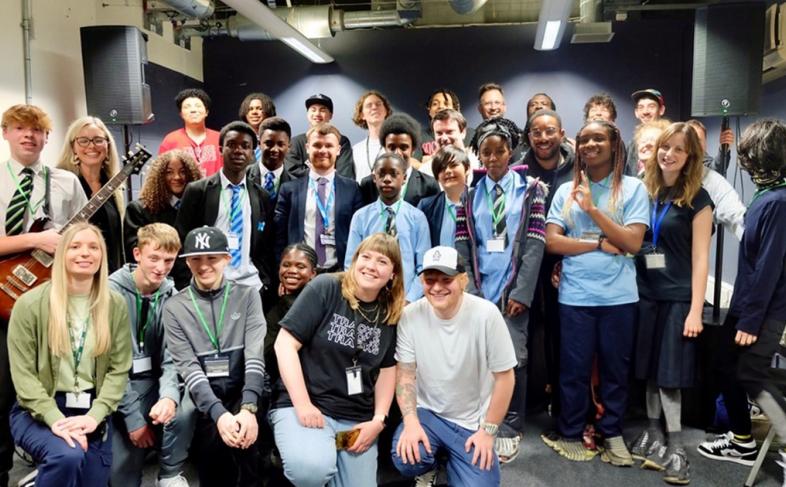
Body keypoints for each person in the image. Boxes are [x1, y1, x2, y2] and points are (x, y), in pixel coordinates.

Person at [542, 120, 649, 466]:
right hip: (576, 296)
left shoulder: (633, 189)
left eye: (598, 138)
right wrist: (601, 243)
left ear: (615, 145)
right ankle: (572, 432)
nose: (589, 144)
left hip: (619, 297)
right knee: (573, 369)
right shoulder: (565, 190)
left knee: (616, 370)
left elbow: (632, 242)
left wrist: (590, 210)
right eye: (584, 139)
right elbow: (553, 242)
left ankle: (612, 432)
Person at [270, 233, 403, 487]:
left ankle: (324, 448)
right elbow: (284, 344)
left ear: (393, 274)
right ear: (354, 261)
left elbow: (387, 370)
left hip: (354, 417)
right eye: (366, 257)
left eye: (382, 262)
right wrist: (303, 404)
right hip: (308, 407)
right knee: (312, 470)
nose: (371, 266)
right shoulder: (326, 287)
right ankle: (307, 450)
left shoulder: (391, 311)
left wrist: (378, 421)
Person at [0, 104, 88, 487]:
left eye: (37, 130)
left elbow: (81, 241)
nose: (29, 136)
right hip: (2, 296)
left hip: (46, 300)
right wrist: (37, 239)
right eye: (20, 128)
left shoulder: (65, 182)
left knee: (46, 383)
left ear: (47, 137)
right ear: (6, 133)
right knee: (2, 385)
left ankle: (48, 456)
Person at [7, 222, 132, 487]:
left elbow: (118, 370)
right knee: (68, 455)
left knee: (90, 478)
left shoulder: (114, 304)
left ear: (102, 256)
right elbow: (24, 378)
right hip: (38, 410)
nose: (85, 253)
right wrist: (56, 421)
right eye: (75, 246)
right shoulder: (29, 305)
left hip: (91, 410)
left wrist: (95, 416)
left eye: (93, 247)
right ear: (60, 253)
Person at [457, 117, 547, 463]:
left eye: (500, 151)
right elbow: (463, 245)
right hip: (481, 290)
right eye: (486, 152)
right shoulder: (469, 194)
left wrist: (521, 293)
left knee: (513, 358)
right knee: (481, 357)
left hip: (512, 292)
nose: (493, 158)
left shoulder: (531, 191)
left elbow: (536, 245)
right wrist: (472, 292)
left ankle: (510, 426)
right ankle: (485, 420)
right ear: (478, 155)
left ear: (511, 151)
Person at [630, 123, 713, 485]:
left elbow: (700, 260)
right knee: (649, 371)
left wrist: (696, 310)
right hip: (644, 294)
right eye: (665, 147)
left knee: (670, 378)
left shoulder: (699, 198)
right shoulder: (643, 191)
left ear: (689, 157)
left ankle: (677, 447)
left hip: (678, 298)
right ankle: (652, 433)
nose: (669, 154)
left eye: (679, 150)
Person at [391, 246, 516, 486]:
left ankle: (452, 459)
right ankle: (430, 463)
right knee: (405, 458)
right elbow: (405, 374)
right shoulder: (410, 316)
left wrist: (488, 431)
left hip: (471, 422)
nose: (437, 287)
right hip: (428, 414)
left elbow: (505, 377)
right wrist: (410, 421)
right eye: (430, 280)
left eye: (446, 280)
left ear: (463, 280)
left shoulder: (486, 314)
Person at [163, 226, 266, 486]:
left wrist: (248, 408)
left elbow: (255, 356)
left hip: (244, 391)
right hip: (205, 396)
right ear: (187, 261)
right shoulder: (175, 307)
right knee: (214, 454)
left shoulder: (248, 296)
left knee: (247, 451)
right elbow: (188, 367)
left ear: (227, 258)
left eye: (212, 258)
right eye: (196, 259)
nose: (204, 265)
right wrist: (219, 414)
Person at [725, 119, 786, 485]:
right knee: (730, 368)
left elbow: (768, 268)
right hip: (752, 306)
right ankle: (740, 439)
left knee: (750, 374)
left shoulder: (778, 201)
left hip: (764, 312)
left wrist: (751, 321)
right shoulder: (769, 196)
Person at [109, 223, 193, 487]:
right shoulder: (110, 294)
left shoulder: (173, 296)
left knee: (183, 406)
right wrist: (134, 421)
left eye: (168, 260)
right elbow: (112, 367)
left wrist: (168, 396)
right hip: (117, 387)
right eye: (153, 258)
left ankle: (169, 473)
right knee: (118, 475)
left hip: (154, 383)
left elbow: (173, 358)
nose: (161, 267)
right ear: (137, 255)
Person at [520, 109, 576, 424]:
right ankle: (525, 401)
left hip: (563, 261)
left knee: (561, 333)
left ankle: (560, 402)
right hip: (527, 261)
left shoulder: (577, 168)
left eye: (550, 131)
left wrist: (567, 258)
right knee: (524, 331)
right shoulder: (519, 169)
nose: (543, 138)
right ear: (529, 136)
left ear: (561, 132)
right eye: (537, 132)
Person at [175, 121, 275, 295]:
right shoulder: (198, 190)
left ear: (253, 153)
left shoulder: (262, 196)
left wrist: (266, 280)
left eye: (245, 146)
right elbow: (182, 240)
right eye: (231, 145)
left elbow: (266, 245)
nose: (238, 151)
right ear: (221, 149)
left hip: (251, 284)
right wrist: (187, 282)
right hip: (209, 283)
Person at [274, 123, 363, 271]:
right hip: (299, 274)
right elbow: (278, 238)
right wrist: (282, 273)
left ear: (338, 150)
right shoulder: (289, 189)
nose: (323, 150)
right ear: (307, 148)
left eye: (329, 145)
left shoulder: (352, 189)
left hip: (340, 273)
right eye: (317, 145)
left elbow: (359, 235)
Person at [347, 152, 431, 303]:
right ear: (374, 178)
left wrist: (409, 300)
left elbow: (423, 267)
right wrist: (360, 294)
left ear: (404, 178)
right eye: (381, 174)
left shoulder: (417, 218)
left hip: (405, 298)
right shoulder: (361, 217)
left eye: (394, 174)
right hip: (367, 297)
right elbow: (351, 263)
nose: (387, 179)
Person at [56, 116, 125, 272]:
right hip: (71, 272)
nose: (92, 146)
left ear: (108, 146)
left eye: (98, 140)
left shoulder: (113, 186)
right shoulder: (60, 182)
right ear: (73, 147)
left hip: (108, 273)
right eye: (83, 140)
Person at [123, 149, 202, 262]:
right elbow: (135, 255)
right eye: (169, 172)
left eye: (183, 172)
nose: (177, 177)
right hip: (158, 275)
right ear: (159, 177)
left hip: (193, 275)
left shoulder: (201, 207)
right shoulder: (139, 210)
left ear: (191, 175)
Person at [264, 243, 318, 387]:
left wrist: (289, 302)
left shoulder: (320, 303)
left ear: (313, 273)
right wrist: (286, 301)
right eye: (286, 265)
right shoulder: (273, 307)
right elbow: (268, 354)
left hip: (316, 384)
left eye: (300, 267)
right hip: (280, 383)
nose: (292, 271)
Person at [358, 113, 440, 207]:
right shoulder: (368, 184)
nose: (397, 153)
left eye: (403, 147)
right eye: (392, 147)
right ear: (384, 147)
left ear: (413, 149)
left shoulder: (428, 185)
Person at [285, 94, 355, 180]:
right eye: (313, 110)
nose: (317, 114)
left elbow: (345, 174)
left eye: (322, 110)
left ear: (330, 115)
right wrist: (325, 174)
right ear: (307, 114)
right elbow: (292, 172)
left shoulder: (341, 141)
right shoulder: (295, 142)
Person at [159, 88, 222, 177]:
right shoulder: (170, 140)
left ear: (206, 112)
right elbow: (162, 173)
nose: (193, 110)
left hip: (216, 190)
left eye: (198, 106)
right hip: (184, 190)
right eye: (187, 107)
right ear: (181, 114)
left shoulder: (221, 138)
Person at [417, 146, 470, 247]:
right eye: (442, 168)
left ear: (467, 168)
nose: (448, 171)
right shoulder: (426, 207)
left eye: (453, 165)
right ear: (437, 177)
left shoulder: (478, 201)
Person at [420, 109, 482, 181]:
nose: (444, 138)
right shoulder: (426, 171)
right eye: (439, 133)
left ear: (463, 132)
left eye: (449, 132)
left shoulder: (479, 162)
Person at [247, 117, 294, 204]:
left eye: (280, 144)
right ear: (259, 144)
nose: (275, 149)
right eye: (269, 143)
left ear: (289, 147)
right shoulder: (243, 176)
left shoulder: (296, 185)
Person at [351, 90, 392, 182]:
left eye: (378, 104)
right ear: (362, 115)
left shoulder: (396, 146)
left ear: (386, 111)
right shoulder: (355, 150)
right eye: (369, 105)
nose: (374, 107)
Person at [420, 89, 474, 157]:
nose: (441, 107)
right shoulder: (419, 136)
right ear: (429, 110)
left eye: (446, 103)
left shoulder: (472, 134)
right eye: (435, 104)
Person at [626, 89, 667, 175]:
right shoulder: (632, 145)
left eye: (651, 106)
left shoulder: (669, 140)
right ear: (636, 112)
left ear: (661, 110)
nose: (645, 112)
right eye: (641, 107)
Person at [238, 92, 277, 164]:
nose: (254, 112)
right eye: (250, 109)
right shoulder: (238, 140)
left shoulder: (278, 139)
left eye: (259, 109)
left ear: (268, 111)